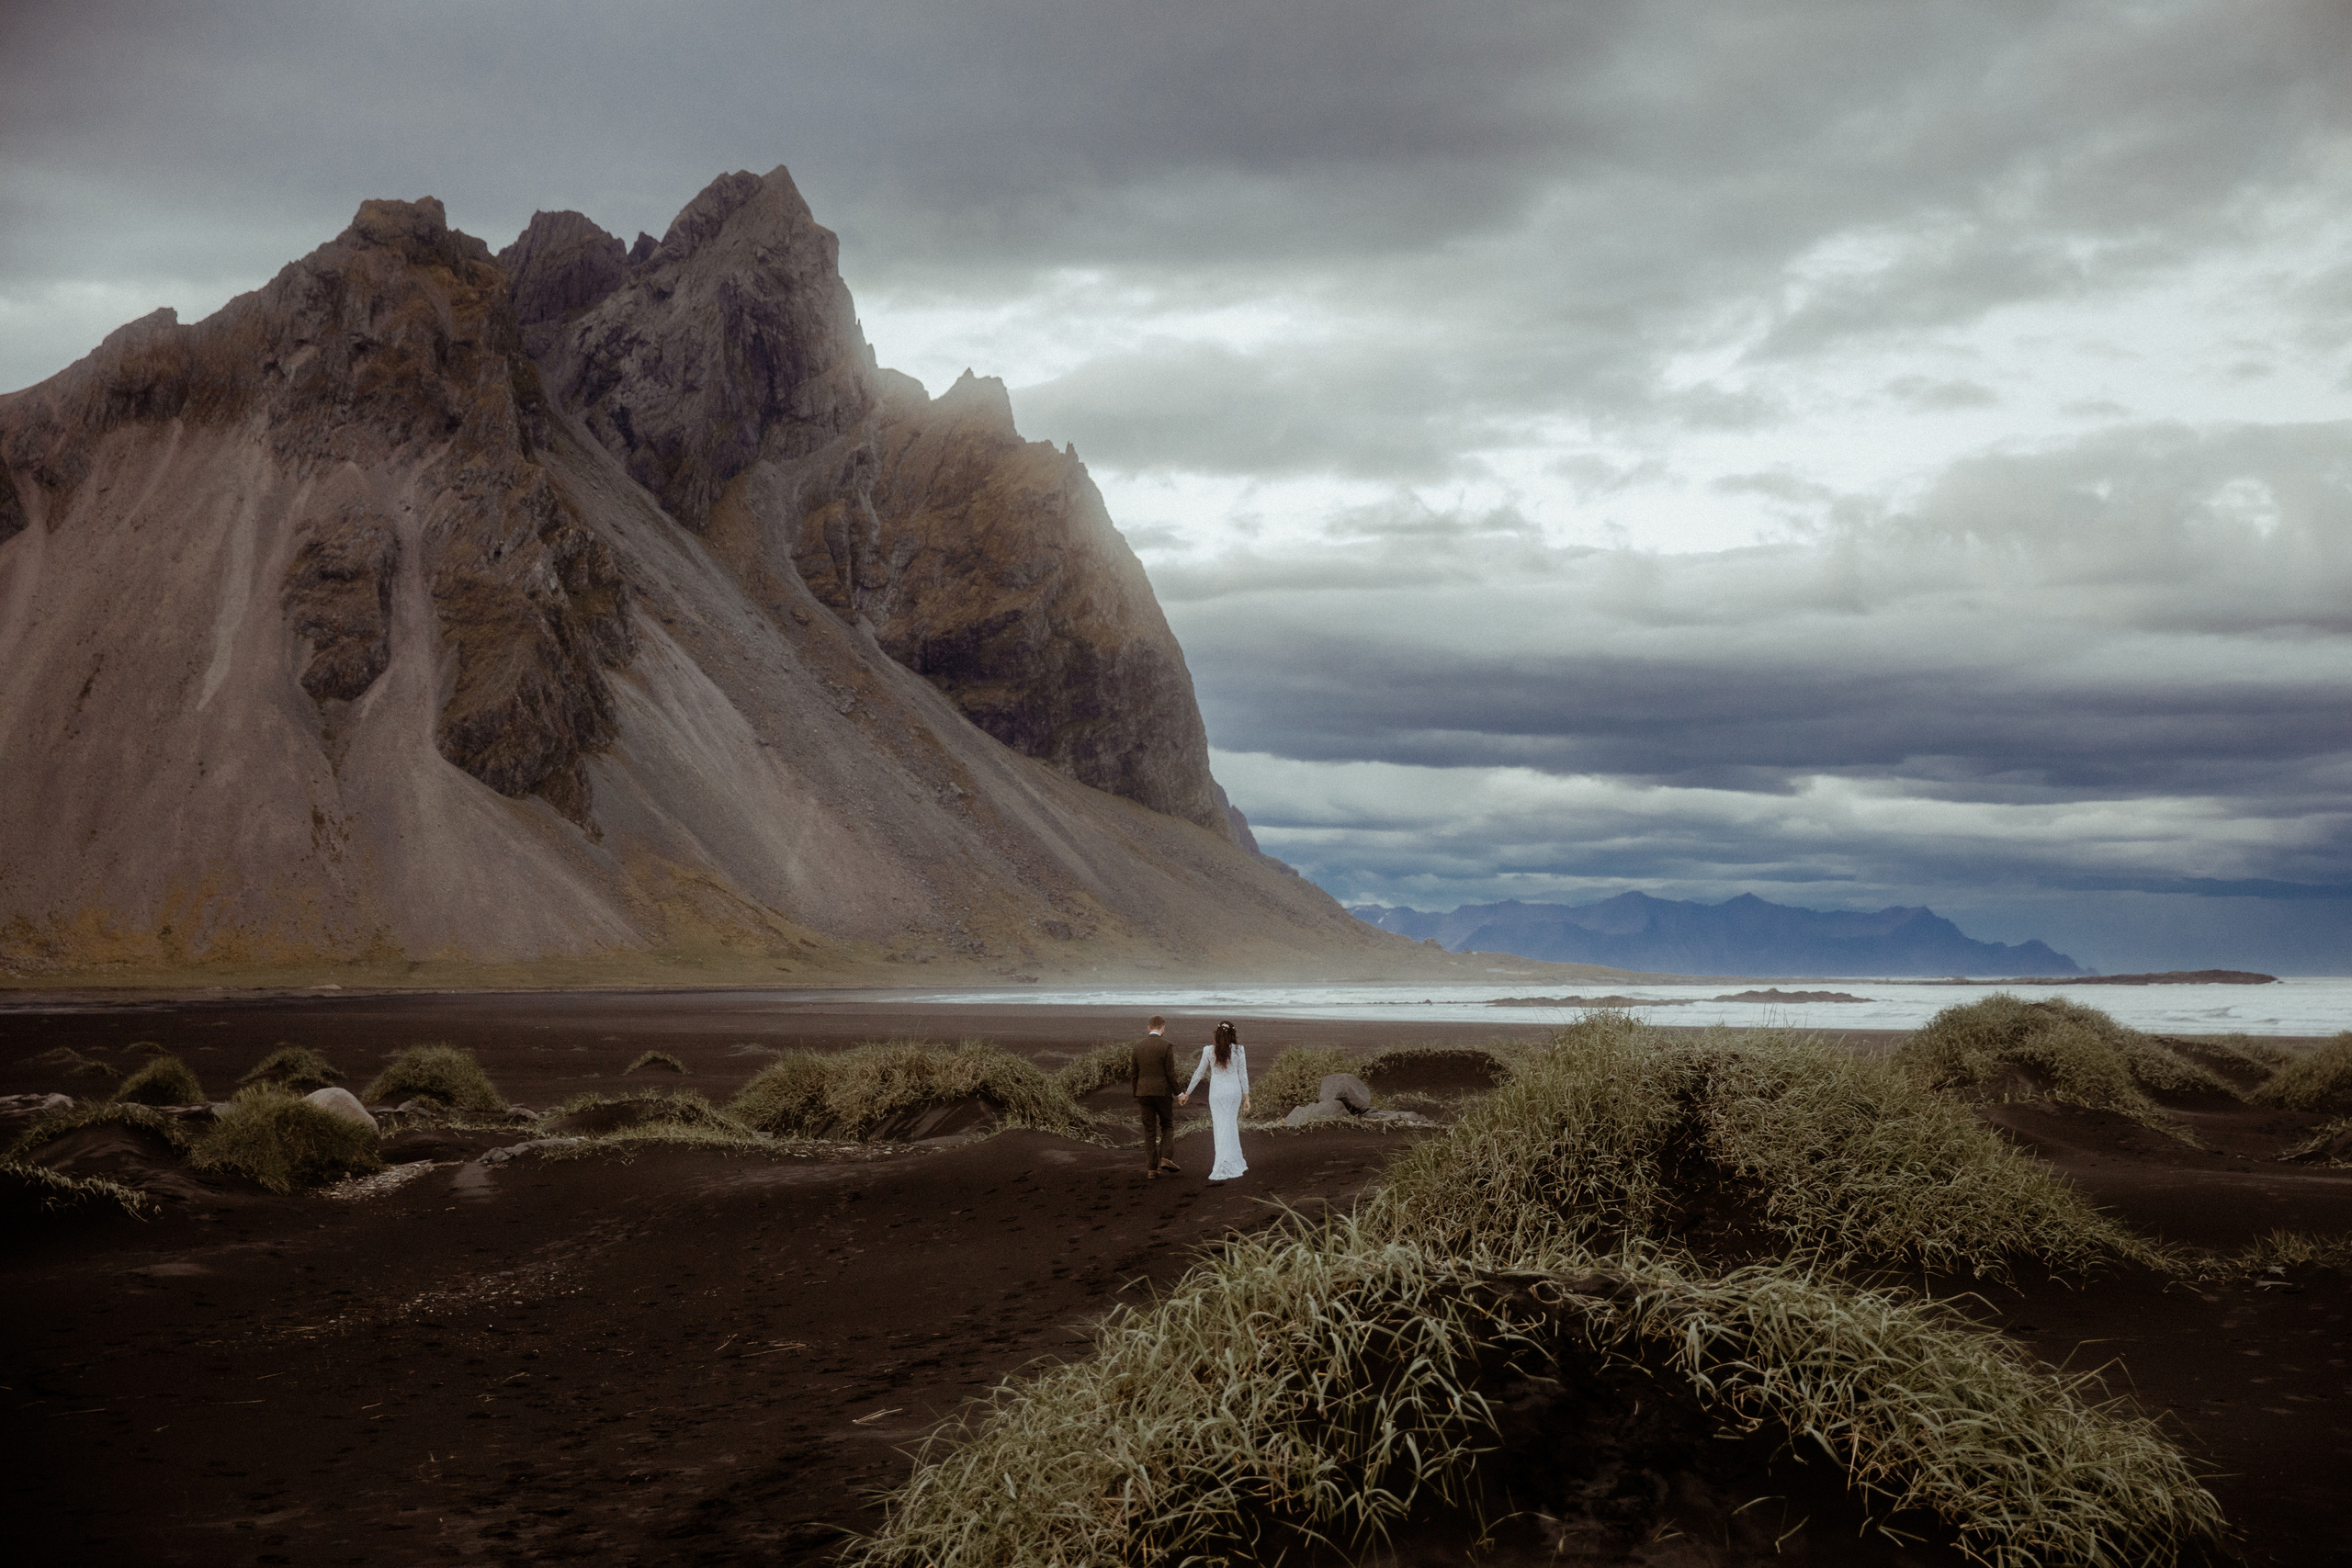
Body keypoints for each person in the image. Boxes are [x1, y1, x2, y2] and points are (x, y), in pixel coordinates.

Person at [1179, 1020, 1250, 1182]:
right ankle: (1232, 1161)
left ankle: (1223, 1163)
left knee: (1220, 1127)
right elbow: (1243, 1074)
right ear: (1233, 1034)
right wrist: (1247, 1097)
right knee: (1231, 1124)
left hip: (1217, 1093)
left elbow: (1199, 1073)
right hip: (1234, 1092)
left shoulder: (1208, 1051)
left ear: (1216, 1035)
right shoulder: (1240, 1051)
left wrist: (1187, 1093)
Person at [1129, 1013, 1181, 1179]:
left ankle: (1152, 1169)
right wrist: (1179, 1093)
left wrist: (1136, 1093)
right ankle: (1166, 1158)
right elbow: (1171, 1074)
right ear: (1162, 1028)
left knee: (1149, 1130)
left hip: (1143, 1093)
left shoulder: (1137, 1046)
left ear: (1149, 1028)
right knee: (1167, 1125)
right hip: (1162, 1093)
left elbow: (1133, 1074)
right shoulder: (1167, 1046)